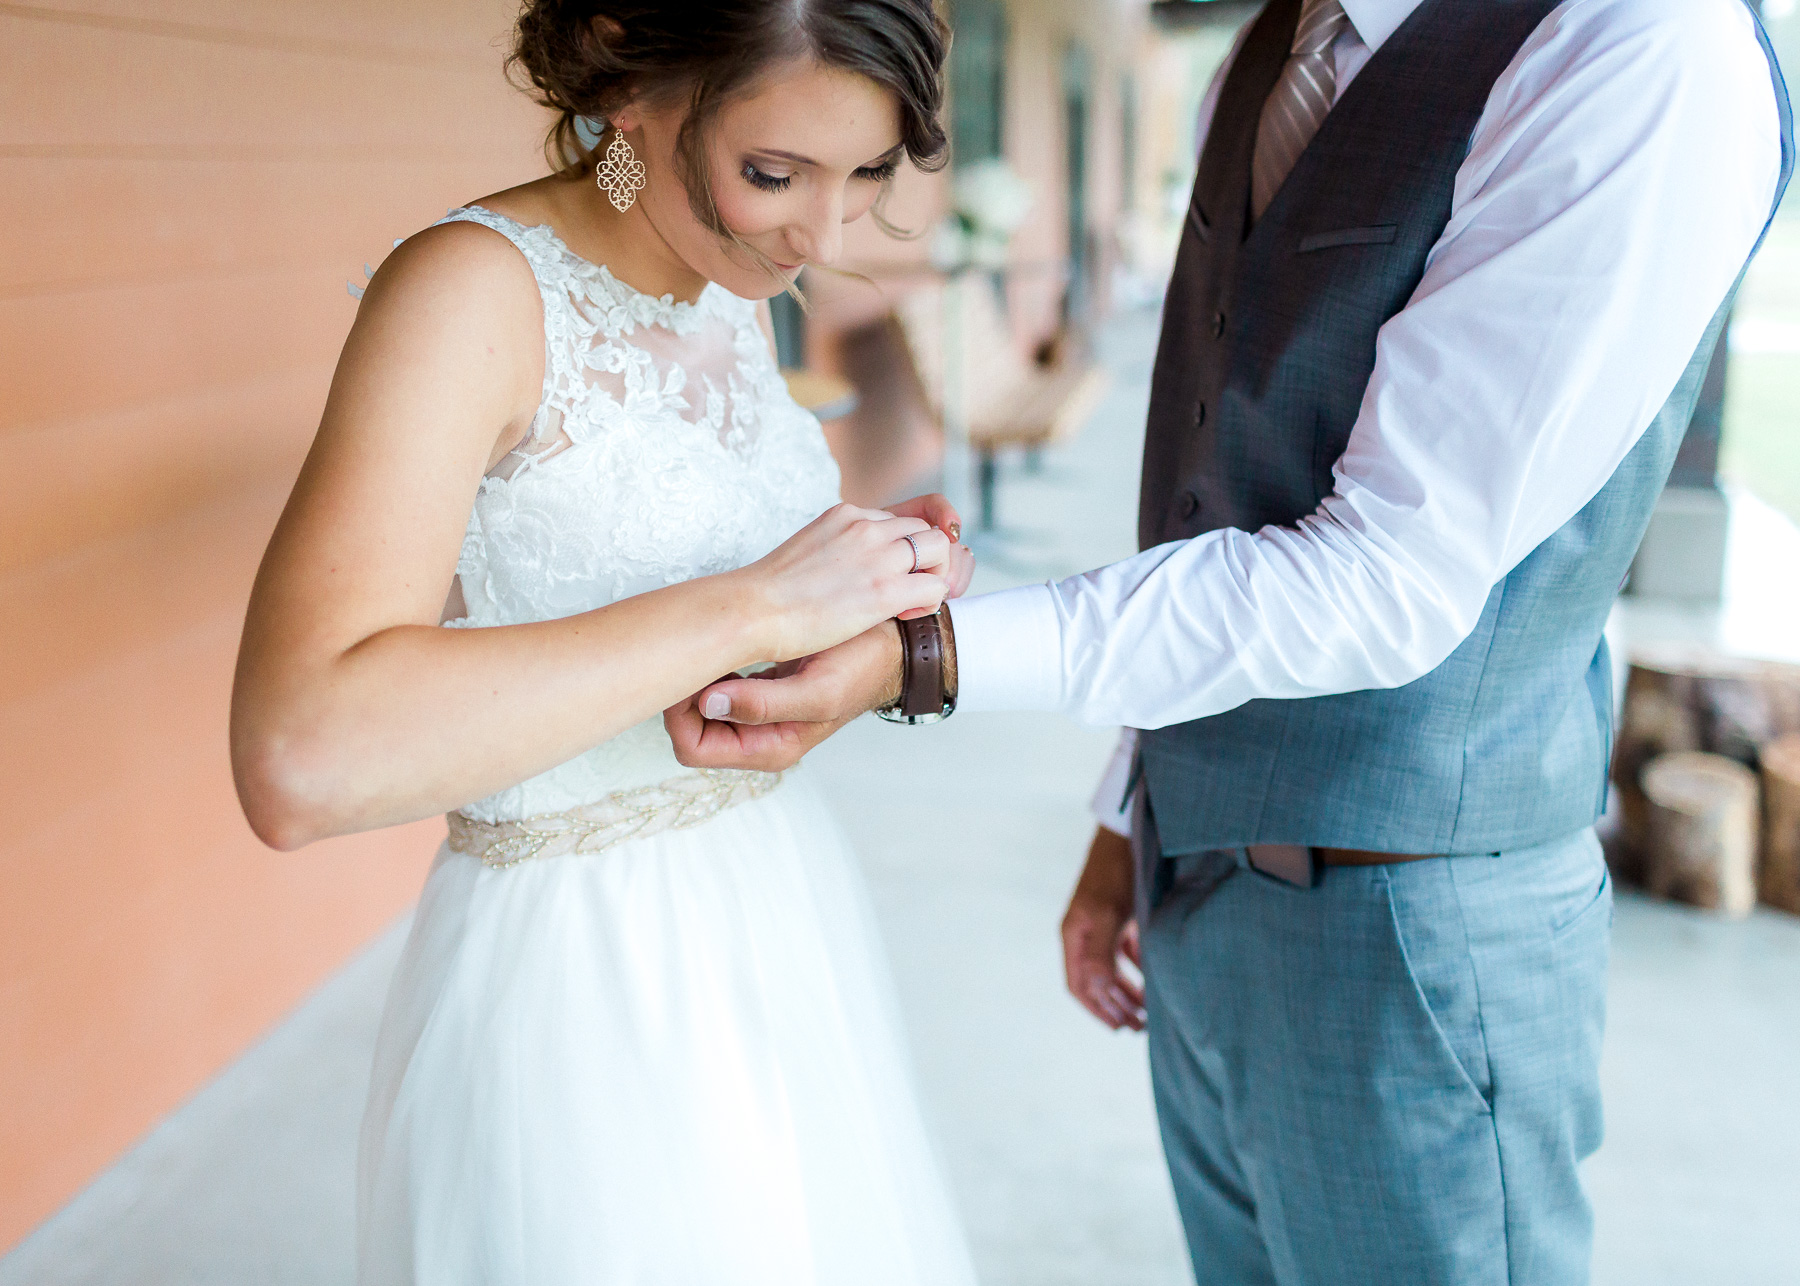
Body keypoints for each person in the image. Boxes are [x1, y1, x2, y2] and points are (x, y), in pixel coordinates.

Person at [668, 0, 1794, 1281]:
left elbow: (1388, 573)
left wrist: (920, 656)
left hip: (1416, 931)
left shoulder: (1640, 49)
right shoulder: (1271, 52)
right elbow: (1223, 479)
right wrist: (1128, 808)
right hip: (1195, 881)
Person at [229, 3, 981, 1281]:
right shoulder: (470, 289)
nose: (823, 235)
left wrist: (857, 590)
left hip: (770, 912)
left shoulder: (719, 282)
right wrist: (753, 603)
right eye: (772, 174)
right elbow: (302, 753)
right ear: (633, 81)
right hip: (577, 978)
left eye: (864, 175)